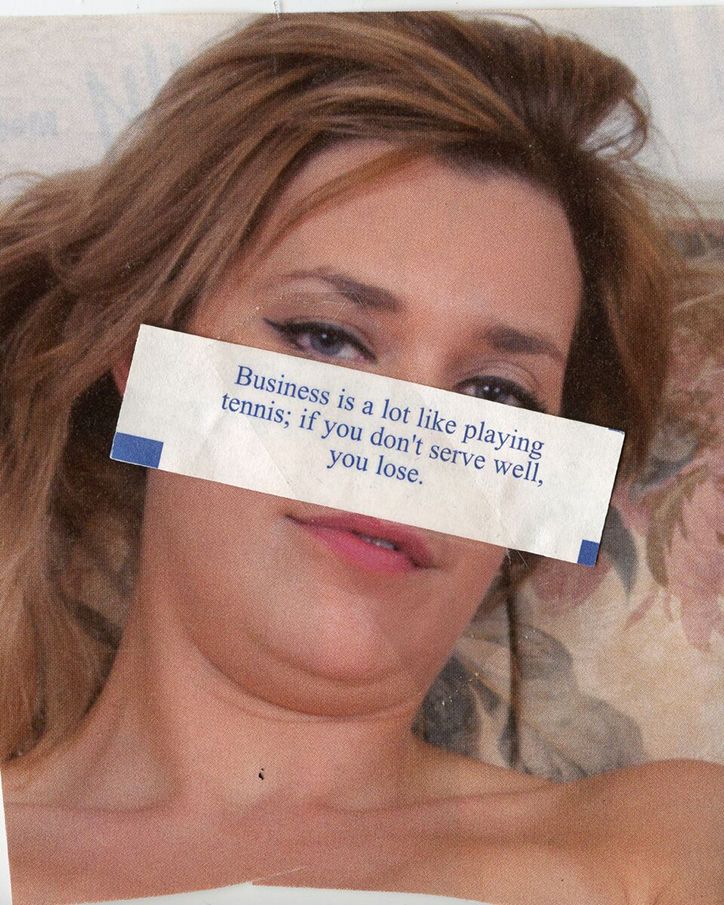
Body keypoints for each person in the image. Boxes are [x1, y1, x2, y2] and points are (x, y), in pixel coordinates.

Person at [0, 11, 721, 905]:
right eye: (326, 337)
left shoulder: (669, 846)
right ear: (142, 357)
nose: (400, 453)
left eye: (496, 394)